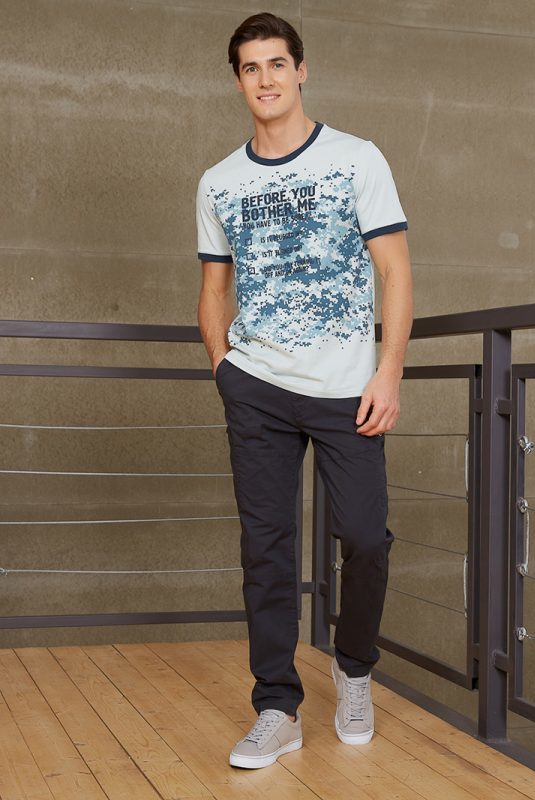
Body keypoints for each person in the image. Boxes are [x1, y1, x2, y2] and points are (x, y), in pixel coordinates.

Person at [196, 11, 413, 770]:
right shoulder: (219, 182)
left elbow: (395, 270)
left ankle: (354, 669)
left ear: (301, 70)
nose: (266, 79)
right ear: (238, 81)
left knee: (365, 538)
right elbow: (213, 288)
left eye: (277, 64)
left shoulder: (356, 159)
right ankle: (277, 708)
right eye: (251, 68)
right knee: (266, 549)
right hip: (256, 387)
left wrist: (389, 369)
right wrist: (223, 367)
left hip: (347, 389)